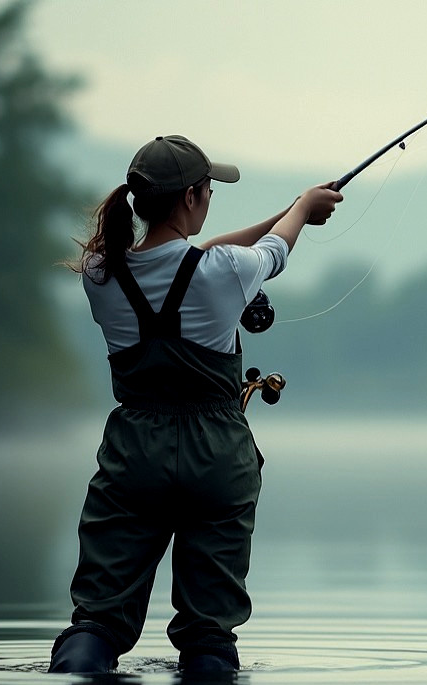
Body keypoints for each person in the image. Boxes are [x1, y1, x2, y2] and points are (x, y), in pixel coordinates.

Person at [49, 135, 343, 674]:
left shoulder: (99, 273)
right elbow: (267, 253)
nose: (211, 201)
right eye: (208, 191)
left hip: (133, 454)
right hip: (217, 457)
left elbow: (189, 258)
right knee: (209, 631)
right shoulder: (225, 271)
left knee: (97, 619)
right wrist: (300, 211)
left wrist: (291, 210)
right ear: (189, 198)